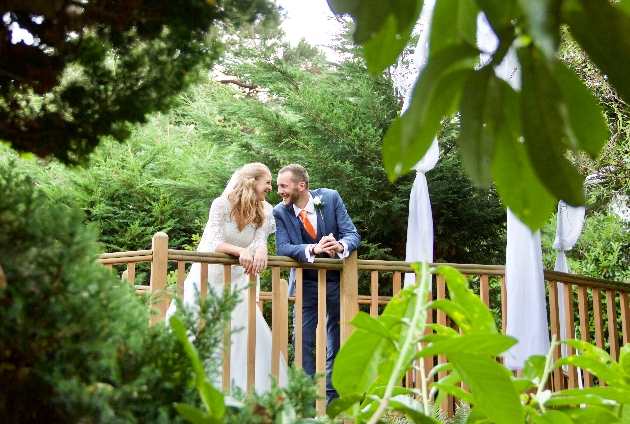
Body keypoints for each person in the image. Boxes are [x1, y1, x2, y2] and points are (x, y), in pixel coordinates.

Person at [166, 162, 288, 393]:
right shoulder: (221, 204)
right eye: (268, 182)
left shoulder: (263, 209)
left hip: (238, 281)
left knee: (241, 332)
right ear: (253, 182)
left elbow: (260, 241)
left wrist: (260, 251)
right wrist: (242, 251)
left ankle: (240, 390)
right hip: (209, 278)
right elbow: (215, 243)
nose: (270, 188)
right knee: (197, 329)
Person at [272, 164, 360, 404]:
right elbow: (283, 248)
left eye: (283, 186)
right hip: (305, 284)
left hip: (337, 283)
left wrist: (340, 246)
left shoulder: (330, 198)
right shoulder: (280, 212)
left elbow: (352, 234)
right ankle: (306, 404)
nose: (279, 191)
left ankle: (334, 402)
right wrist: (313, 248)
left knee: (338, 341)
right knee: (302, 342)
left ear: (301, 186)